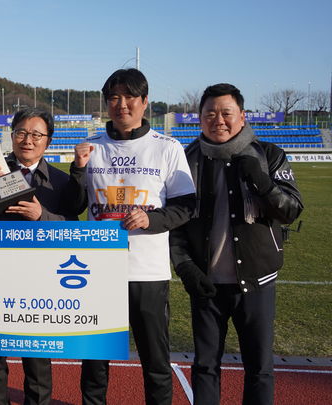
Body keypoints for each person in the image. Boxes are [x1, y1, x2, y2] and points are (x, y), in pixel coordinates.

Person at [66, 69, 197, 405]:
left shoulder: (167, 148)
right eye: (113, 98)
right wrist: (78, 170)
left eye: (129, 97)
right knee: (95, 362)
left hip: (147, 272)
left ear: (144, 102)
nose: (121, 104)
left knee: (155, 361)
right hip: (95, 270)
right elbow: (72, 207)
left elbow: (185, 206)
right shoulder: (90, 147)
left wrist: (150, 220)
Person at [170, 83, 303, 405]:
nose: (219, 120)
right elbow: (174, 222)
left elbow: (291, 210)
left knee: (259, 368)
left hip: (257, 282)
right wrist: (185, 266)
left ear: (241, 116)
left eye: (226, 113)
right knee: (205, 367)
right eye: (210, 113)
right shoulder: (184, 160)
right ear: (199, 118)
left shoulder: (269, 154)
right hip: (206, 284)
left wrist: (263, 183)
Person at [0, 108, 76, 405]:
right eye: (21, 133)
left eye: (36, 134)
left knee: (37, 359)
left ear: (47, 141)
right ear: (11, 137)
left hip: (41, 278)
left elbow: (74, 229)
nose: (28, 140)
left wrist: (42, 216)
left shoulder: (61, 182)